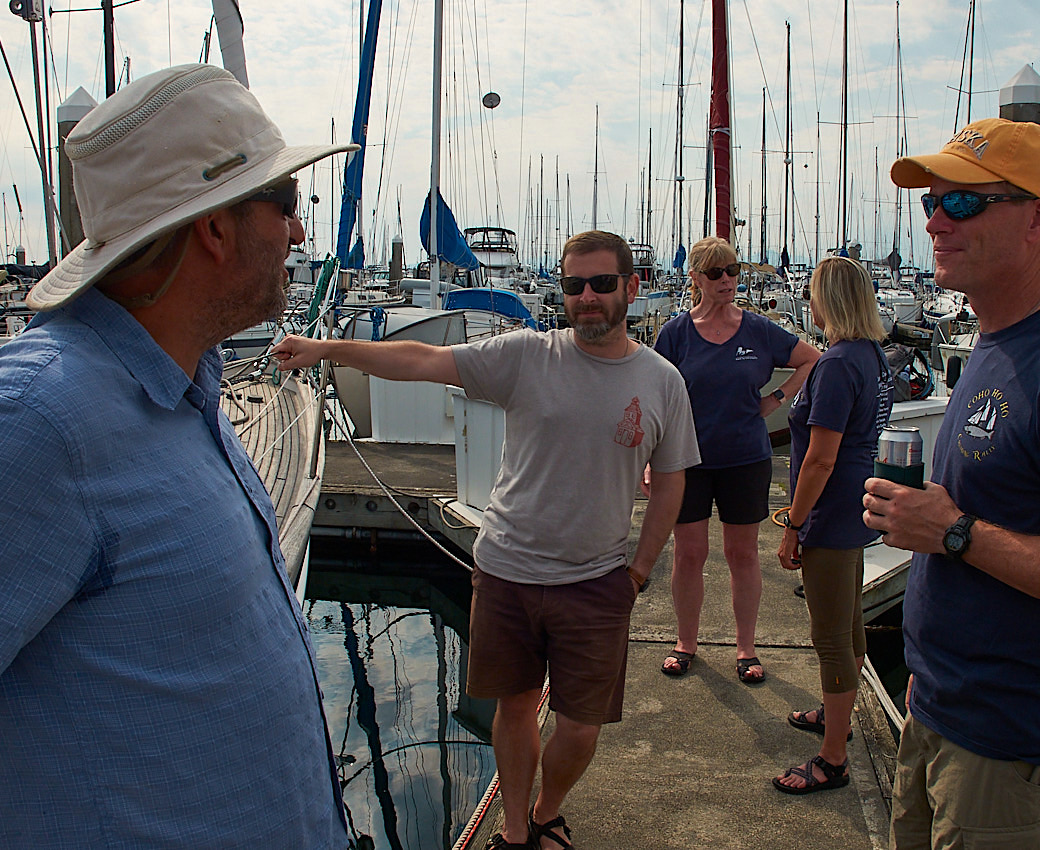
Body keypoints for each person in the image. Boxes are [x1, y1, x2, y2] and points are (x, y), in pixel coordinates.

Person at [0, 65, 356, 846]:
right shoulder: (38, 422)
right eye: (286, 204)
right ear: (215, 229)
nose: (299, 233)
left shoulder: (189, 386)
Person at [273, 230, 700, 850]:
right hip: (506, 572)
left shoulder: (662, 380)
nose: (586, 297)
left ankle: (549, 809)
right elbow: (421, 361)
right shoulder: (527, 355)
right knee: (515, 708)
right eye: (573, 284)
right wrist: (323, 348)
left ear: (631, 289)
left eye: (602, 284)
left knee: (581, 728)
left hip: (597, 579)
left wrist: (636, 571)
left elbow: (670, 484)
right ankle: (516, 827)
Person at [863, 117, 1040, 847]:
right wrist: (925, 673)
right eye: (930, 203)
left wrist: (951, 532)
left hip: (1010, 753)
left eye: (961, 204)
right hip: (939, 715)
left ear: (1037, 219)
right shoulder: (990, 343)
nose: (933, 223)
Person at [652, 236, 818, 682]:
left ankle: (746, 648)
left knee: (741, 553)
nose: (726, 281)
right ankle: (686, 641)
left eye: (733, 271)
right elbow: (653, 395)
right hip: (688, 459)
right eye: (715, 273)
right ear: (696, 279)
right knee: (690, 553)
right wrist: (652, 457)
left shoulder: (759, 329)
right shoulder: (676, 333)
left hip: (745, 457)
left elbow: (811, 359)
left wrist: (776, 399)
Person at [772, 256, 894, 795]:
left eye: (813, 292)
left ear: (830, 301)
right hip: (855, 506)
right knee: (849, 624)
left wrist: (794, 524)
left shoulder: (839, 363)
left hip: (830, 512)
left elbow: (821, 458)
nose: (809, 301)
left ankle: (833, 758)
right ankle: (835, 712)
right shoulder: (871, 356)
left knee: (830, 636)